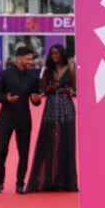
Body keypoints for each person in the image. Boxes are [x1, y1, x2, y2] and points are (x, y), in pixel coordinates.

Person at [26, 44, 78, 192]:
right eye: (52, 54)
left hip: (66, 109)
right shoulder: (47, 71)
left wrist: (68, 91)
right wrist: (48, 89)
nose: (55, 56)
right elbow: (42, 90)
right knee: (49, 143)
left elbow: (76, 91)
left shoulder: (71, 70)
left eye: (57, 53)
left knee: (65, 143)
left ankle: (65, 182)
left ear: (62, 54)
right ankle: (48, 180)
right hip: (50, 109)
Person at [0, 45, 41, 194]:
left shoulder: (33, 77)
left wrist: (36, 100)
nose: (30, 62)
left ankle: (20, 183)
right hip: (6, 118)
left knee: (24, 153)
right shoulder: (5, 74)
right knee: (2, 150)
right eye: (27, 59)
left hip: (24, 119)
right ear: (18, 58)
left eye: (31, 59)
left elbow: (35, 100)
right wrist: (6, 99)